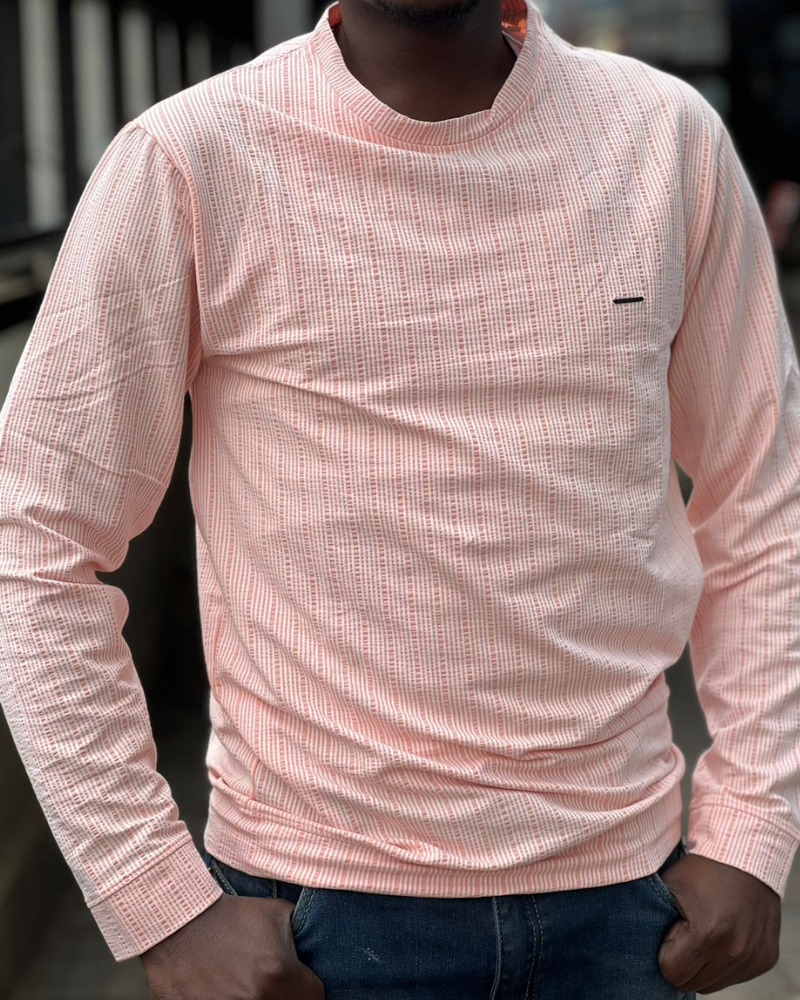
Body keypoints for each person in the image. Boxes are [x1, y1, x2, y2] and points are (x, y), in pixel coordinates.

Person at [0, 0, 797, 996]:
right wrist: (158, 900)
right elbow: (35, 540)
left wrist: (750, 827)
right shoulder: (192, 159)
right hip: (316, 919)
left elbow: (761, 498)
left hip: (628, 904)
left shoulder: (664, 138)